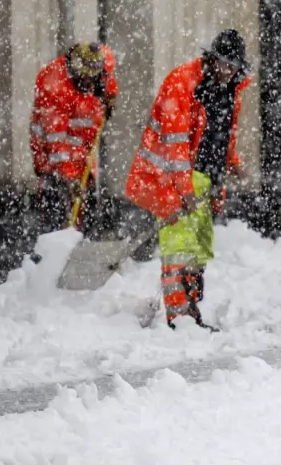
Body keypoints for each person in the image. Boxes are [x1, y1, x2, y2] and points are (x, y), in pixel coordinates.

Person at [124, 30, 250, 328]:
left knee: (198, 247)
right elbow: (175, 142)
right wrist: (184, 187)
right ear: (211, 57)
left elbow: (222, 132)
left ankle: (190, 311)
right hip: (169, 179)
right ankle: (179, 319)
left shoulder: (231, 89)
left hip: (206, 180)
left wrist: (231, 162)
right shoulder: (182, 83)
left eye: (232, 65)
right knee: (179, 247)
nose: (226, 70)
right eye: (222, 62)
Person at [29, 42, 118, 231]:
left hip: (82, 153)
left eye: (92, 79)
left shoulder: (102, 64)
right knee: (57, 210)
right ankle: (54, 245)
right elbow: (55, 141)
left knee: (84, 209)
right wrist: (69, 179)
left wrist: (110, 96)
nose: (88, 83)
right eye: (84, 78)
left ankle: (80, 240)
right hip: (51, 158)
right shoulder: (53, 82)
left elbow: (109, 79)